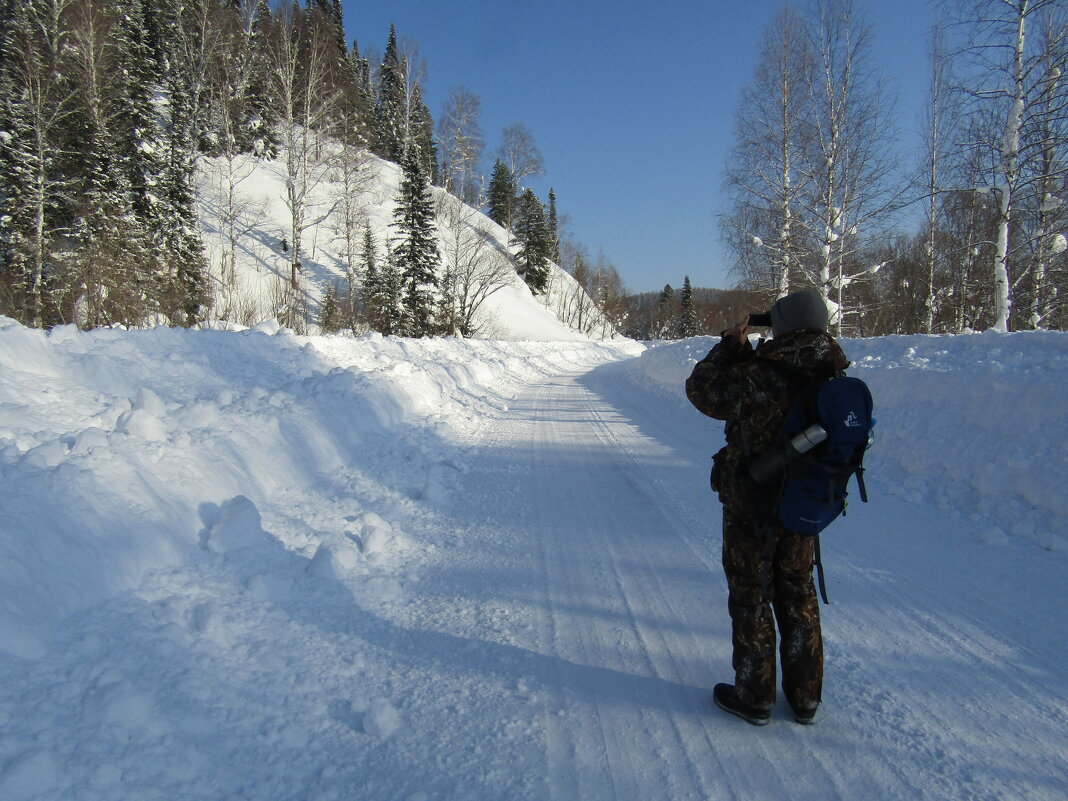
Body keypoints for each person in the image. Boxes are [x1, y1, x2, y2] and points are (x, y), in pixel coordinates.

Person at [685, 289, 849, 726]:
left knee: (751, 593)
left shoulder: (760, 372)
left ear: (785, 325)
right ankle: (805, 697)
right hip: (803, 501)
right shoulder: (832, 370)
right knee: (797, 589)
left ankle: (755, 695)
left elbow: (702, 391)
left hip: (752, 502)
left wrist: (729, 346)